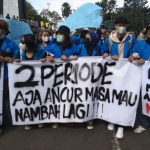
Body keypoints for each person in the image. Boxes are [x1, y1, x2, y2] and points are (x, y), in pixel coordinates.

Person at [102, 16, 138, 139]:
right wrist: (106, 54)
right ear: (115, 26)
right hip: (113, 72)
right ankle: (112, 119)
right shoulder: (109, 39)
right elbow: (104, 51)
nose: (121, 27)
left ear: (127, 26)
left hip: (127, 71)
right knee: (113, 95)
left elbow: (135, 50)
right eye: (119, 25)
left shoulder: (131, 38)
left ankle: (121, 125)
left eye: (124, 25)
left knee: (124, 96)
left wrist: (134, 55)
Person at [14, 34, 54, 130]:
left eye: (23, 42)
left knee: (39, 100)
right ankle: (29, 120)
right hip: (24, 82)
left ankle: (40, 119)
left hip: (39, 82)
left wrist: (48, 59)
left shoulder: (42, 52)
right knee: (27, 101)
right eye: (21, 41)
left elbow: (52, 60)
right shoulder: (19, 52)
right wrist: (13, 61)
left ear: (30, 43)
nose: (21, 44)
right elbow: (12, 62)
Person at [47, 25, 78, 128]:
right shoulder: (52, 46)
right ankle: (56, 118)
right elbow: (45, 55)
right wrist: (48, 58)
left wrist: (75, 57)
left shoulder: (74, 47)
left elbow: (82, 58)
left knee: (69, 96)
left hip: (70, 76)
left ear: (66, 36)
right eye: (58, 34)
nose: (59, 36)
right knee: (57, 97)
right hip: (56, 77)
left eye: (61, 34)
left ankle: (69, 115)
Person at [78, 31, 102, 129]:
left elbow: (104, 56)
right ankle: (82, 114)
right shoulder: (80, 47)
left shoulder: (98, 48)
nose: (86, 40)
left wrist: (105, 56)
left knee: (92, 96)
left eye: (88, 38)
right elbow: (74, 55)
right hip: (81, 76)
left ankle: (91, 118)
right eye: (85, 38)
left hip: (95, 77)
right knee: (83, 96)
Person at [128, 26, 150, 133]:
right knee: (143, 101)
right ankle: (144, 123)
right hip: (144, 79)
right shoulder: (141, 44)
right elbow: (132, 54)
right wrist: (136, 58)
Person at [0, 19, 20, 134]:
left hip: (6, 76)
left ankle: (4, 120)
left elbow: (17, 59)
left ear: (5, 31)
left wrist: (11, 59)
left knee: (5, 98)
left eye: (0, 28)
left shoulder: (11, 44)